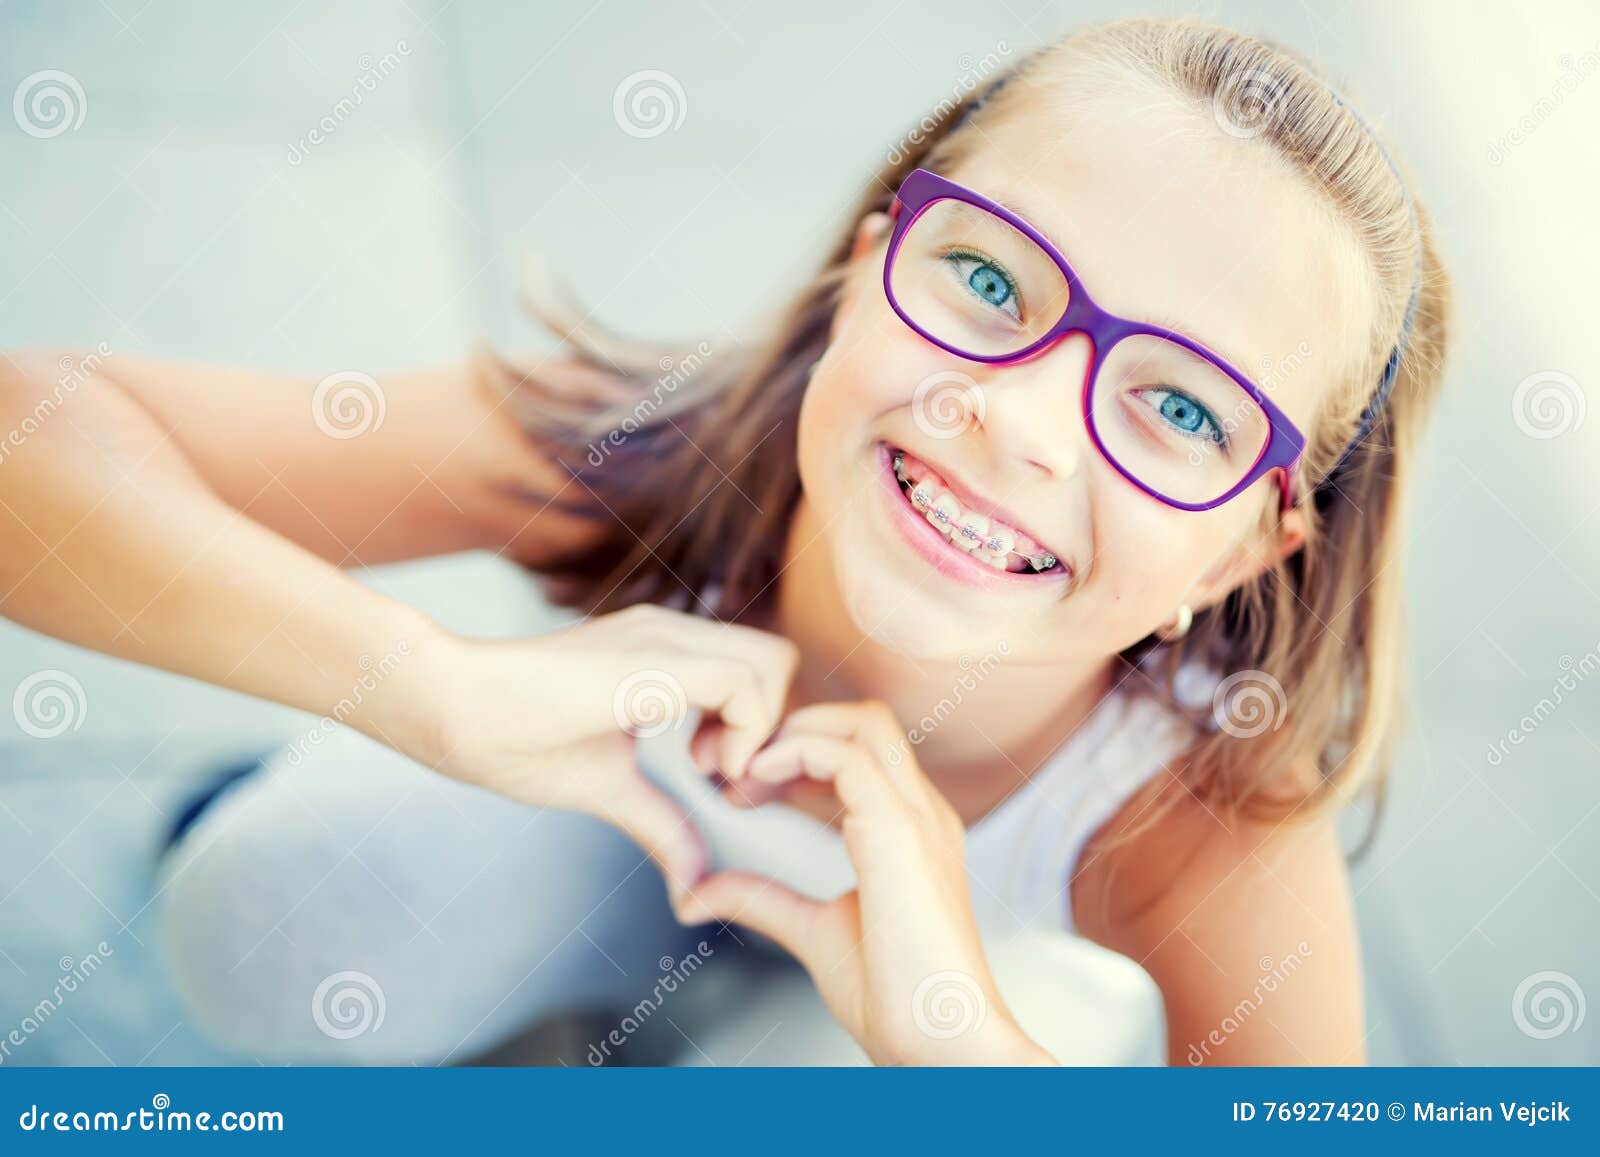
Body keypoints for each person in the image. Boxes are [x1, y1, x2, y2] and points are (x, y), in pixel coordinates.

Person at [0, 18, 1451, 1065]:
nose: (1021, 424)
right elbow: (31, 436)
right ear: (866, 270)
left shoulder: (1197, 828)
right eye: (990, 278)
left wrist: (956, 1046)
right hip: (620, 830)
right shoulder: (654, 448)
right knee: (266, 920)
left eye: (1184, 412)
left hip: (954, 996)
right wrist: (418, 678)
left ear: (1241, 555)